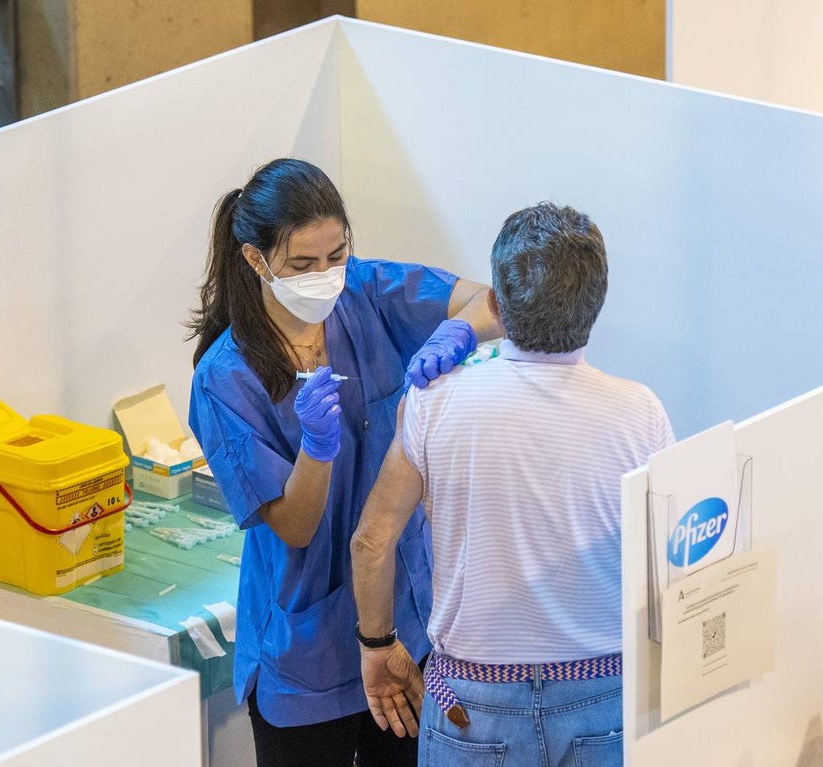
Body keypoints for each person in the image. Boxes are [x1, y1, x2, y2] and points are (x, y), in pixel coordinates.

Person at [186, 158, 501, 767]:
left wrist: (454, 335)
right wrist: (316, 448)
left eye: (336, 254)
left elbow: (491, 302)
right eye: (303, 265)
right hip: (307, 650)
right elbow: (297, 527)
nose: (326, 276)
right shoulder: (225, 379)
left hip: (401, 619)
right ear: (256, 260)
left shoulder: (366, 293)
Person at [350, 202, 675, 766]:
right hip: (606, 696)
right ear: (595, 305)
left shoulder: (434, 400)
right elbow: (668, 565)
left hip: (473, 703)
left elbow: (372, 543)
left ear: (495, 305)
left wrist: (377, 646)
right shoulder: (641, 413)